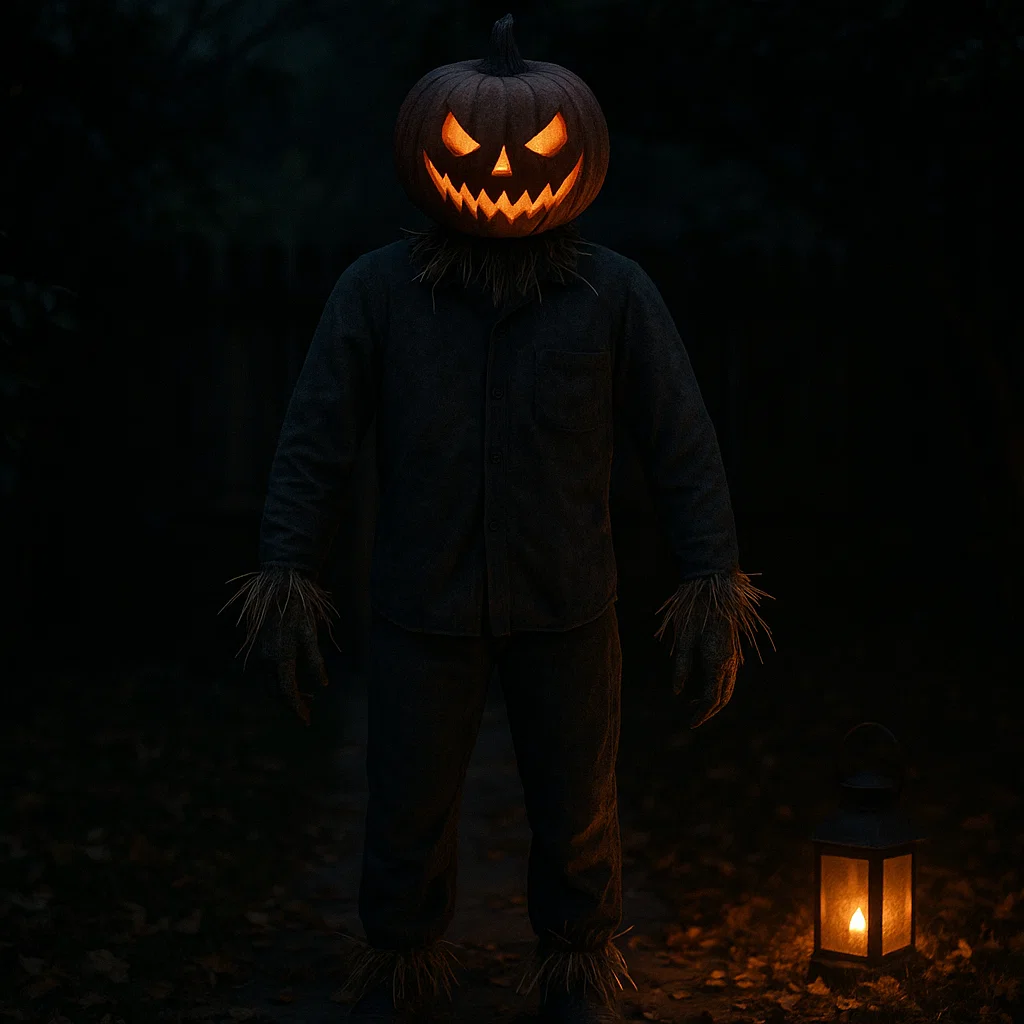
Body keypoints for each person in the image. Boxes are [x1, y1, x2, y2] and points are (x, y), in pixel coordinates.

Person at [225, 15, 769, 1024]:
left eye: (543, 144)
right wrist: (286, 568)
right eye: (474, 144)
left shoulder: (613, 293)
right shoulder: (377, 294)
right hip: (420, 602)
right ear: (427, 147)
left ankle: (574, 968)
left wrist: (709, 577)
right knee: (406, 807)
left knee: (577, 808)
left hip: (569, 601)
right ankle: (401, 966)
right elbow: (316, 437)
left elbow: (679, 437)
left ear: (582, 151)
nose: (509, 164)